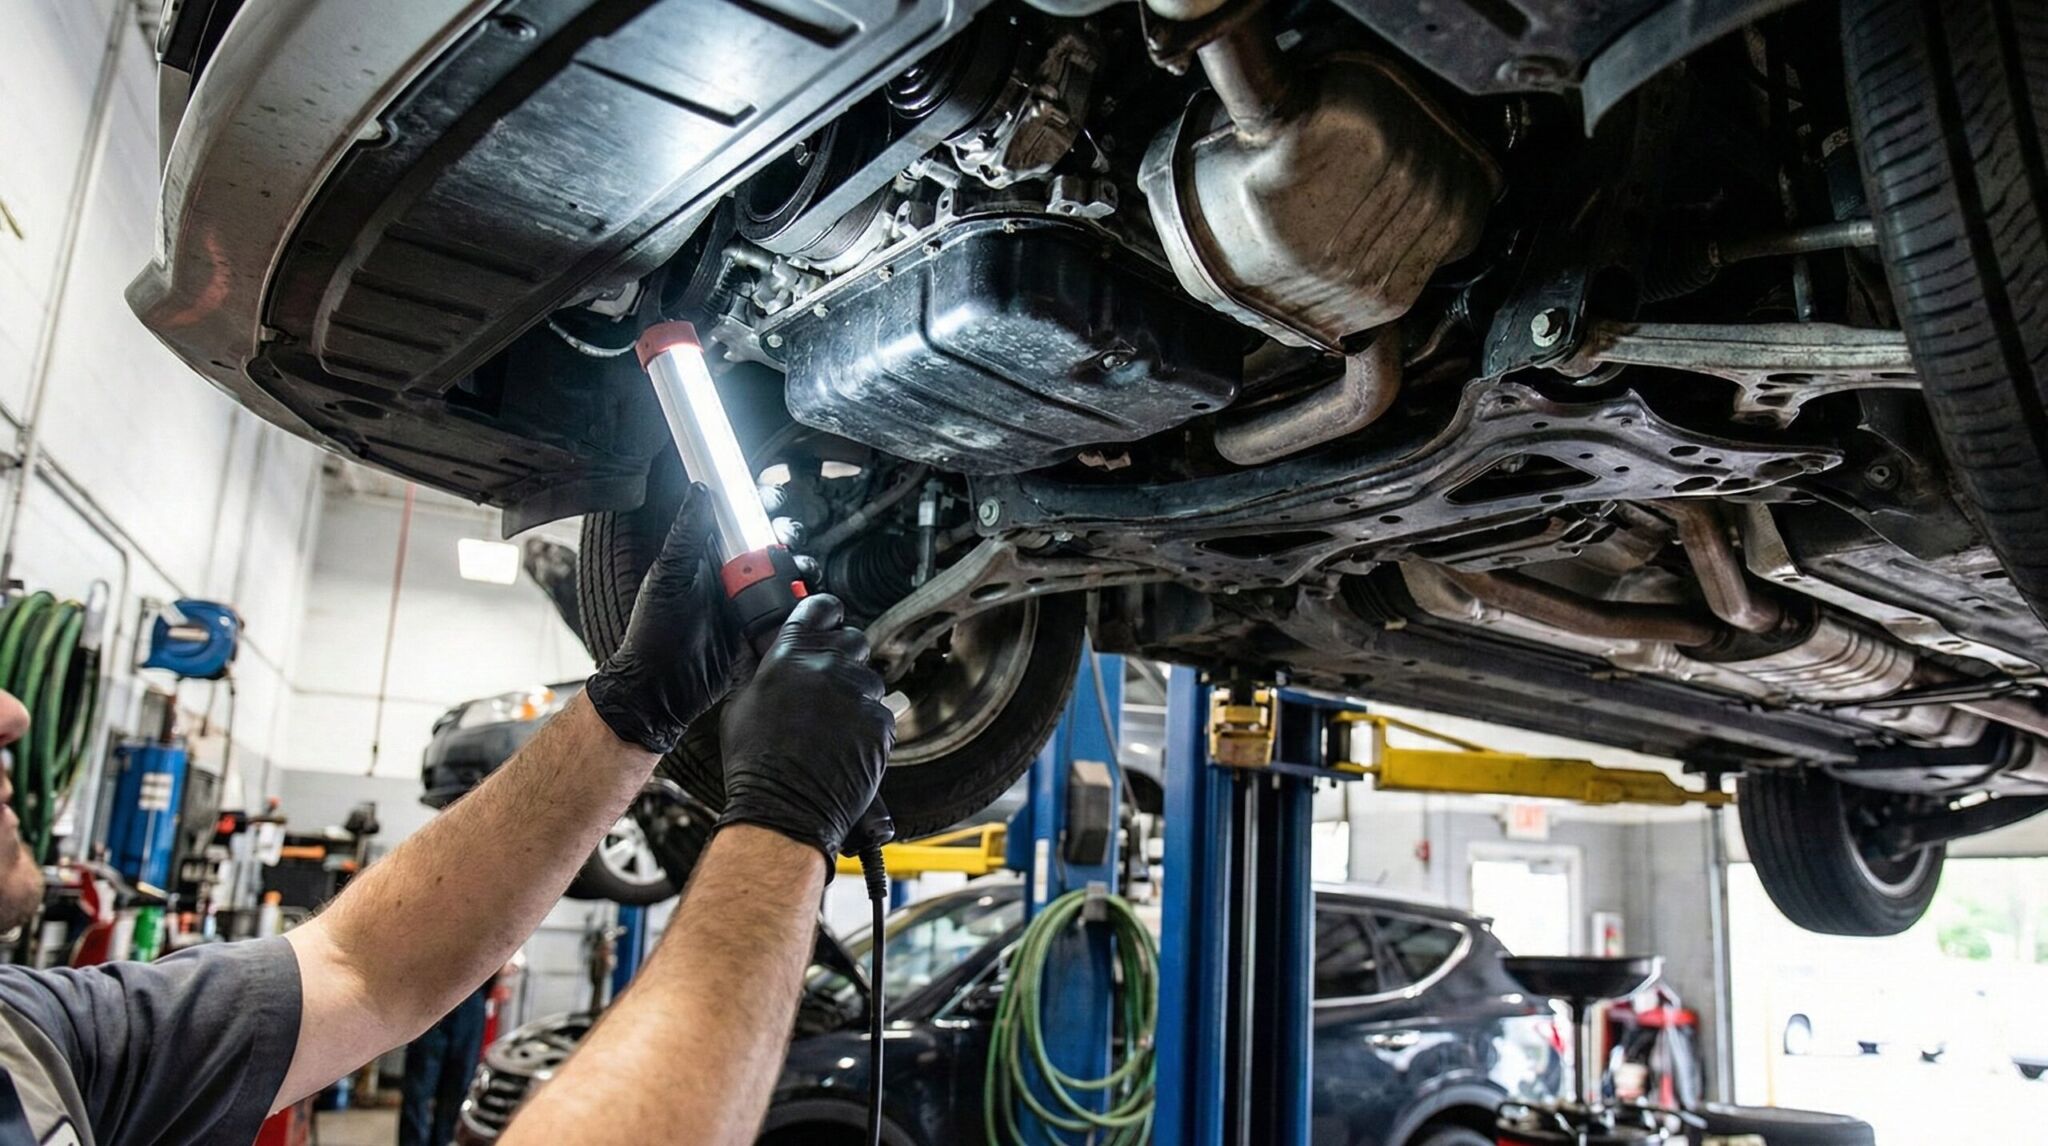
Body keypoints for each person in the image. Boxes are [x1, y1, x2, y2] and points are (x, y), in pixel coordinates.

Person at [0, 487, 894, 1146]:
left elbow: (361, 967)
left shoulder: (34, 1040)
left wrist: (632, 712)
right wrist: (782, 825)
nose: (12, 715)